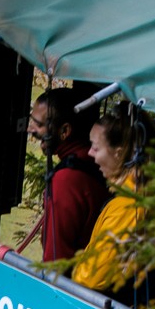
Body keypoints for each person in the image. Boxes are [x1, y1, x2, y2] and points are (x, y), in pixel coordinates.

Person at [67, 112, 155, 306]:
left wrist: (75, 269)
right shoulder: (142, 192)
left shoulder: (128, 206)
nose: (89, 153)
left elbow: (92, 276)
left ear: (119, 153)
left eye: (95, 147)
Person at [25, 86, 109, 265]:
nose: (30, 130)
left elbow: (55, 259)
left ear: (64, 131)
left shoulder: (66, 181)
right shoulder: (93, 162)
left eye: (39, 125)